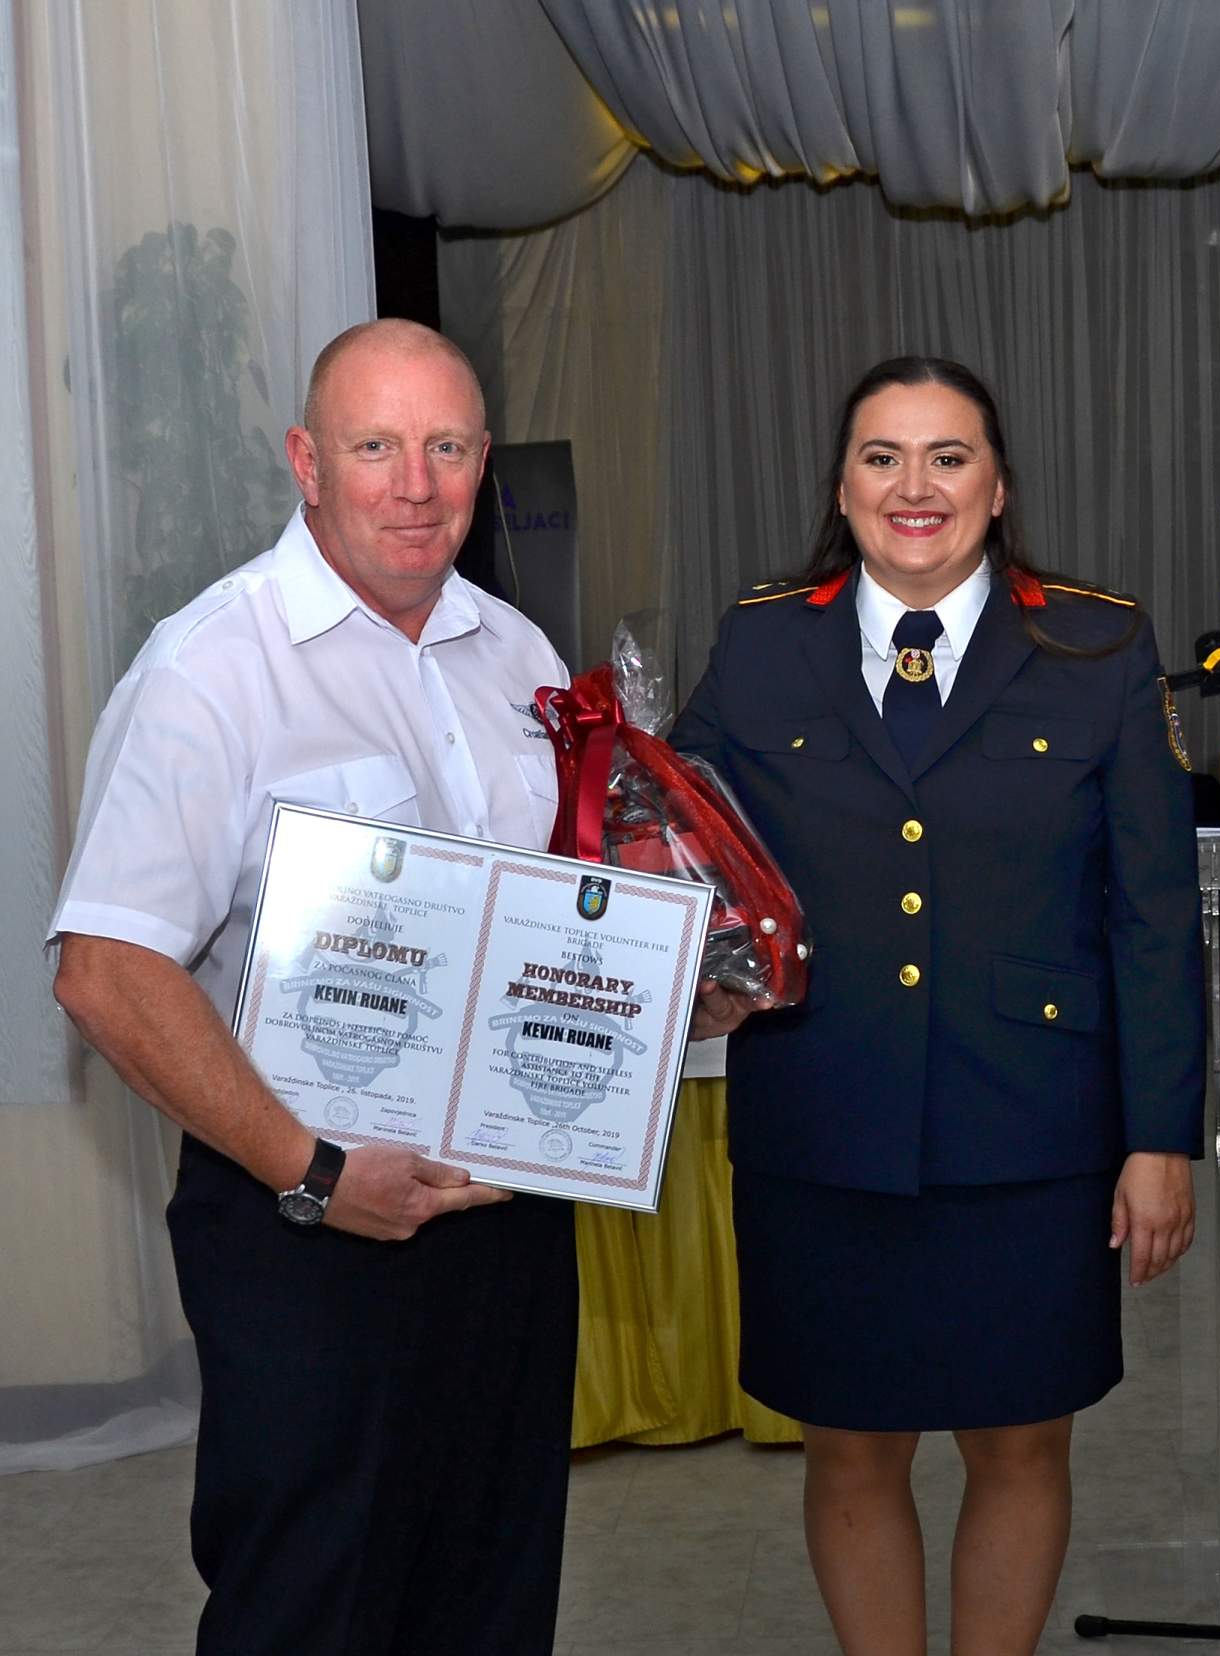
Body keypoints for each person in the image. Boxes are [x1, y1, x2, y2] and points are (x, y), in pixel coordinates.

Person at [48, 319, 583, 1653]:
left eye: (446, 447)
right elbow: (107, 970)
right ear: (306, 462)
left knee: (492, 1595)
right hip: (305, 1226)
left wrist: (679, 981)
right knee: (311, 1606)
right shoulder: (212, 669)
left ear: (483, 463)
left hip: (505, 1230)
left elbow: (557, 927)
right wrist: (314, 1173)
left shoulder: (521, 659)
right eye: (376, 447)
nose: (416, 485)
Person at [668, 355, 1204, 1656]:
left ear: (997, 487)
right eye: (883, 457)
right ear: (842, 487)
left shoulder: (1096, 648)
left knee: (1019, 1441)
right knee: (850, 1446)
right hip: (823, 1118)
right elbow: (677, 843)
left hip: (1030, 1130)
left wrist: (1160, 1137)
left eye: (948, 457)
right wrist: (689, 975)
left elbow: (1151, 914)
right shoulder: (763, 643)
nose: (916, 487)